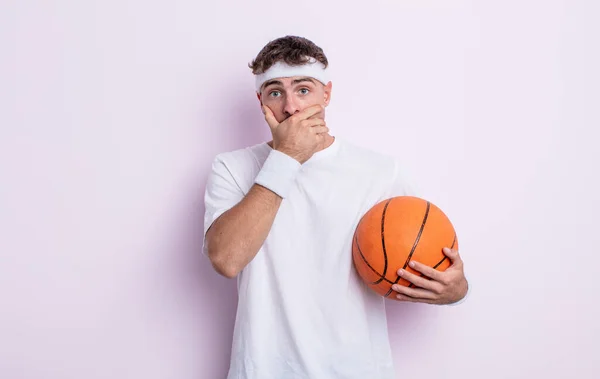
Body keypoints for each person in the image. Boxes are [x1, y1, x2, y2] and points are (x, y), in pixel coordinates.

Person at [202, 35, 469, 379]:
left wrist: (457, 290)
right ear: (261, 101)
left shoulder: (380, 171)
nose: (291, 107)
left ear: (326, 94)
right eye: (275, 92)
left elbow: (434, 259)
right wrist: (287, 157)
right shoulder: (231, 168)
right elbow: (226, 259)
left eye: (303, 89)